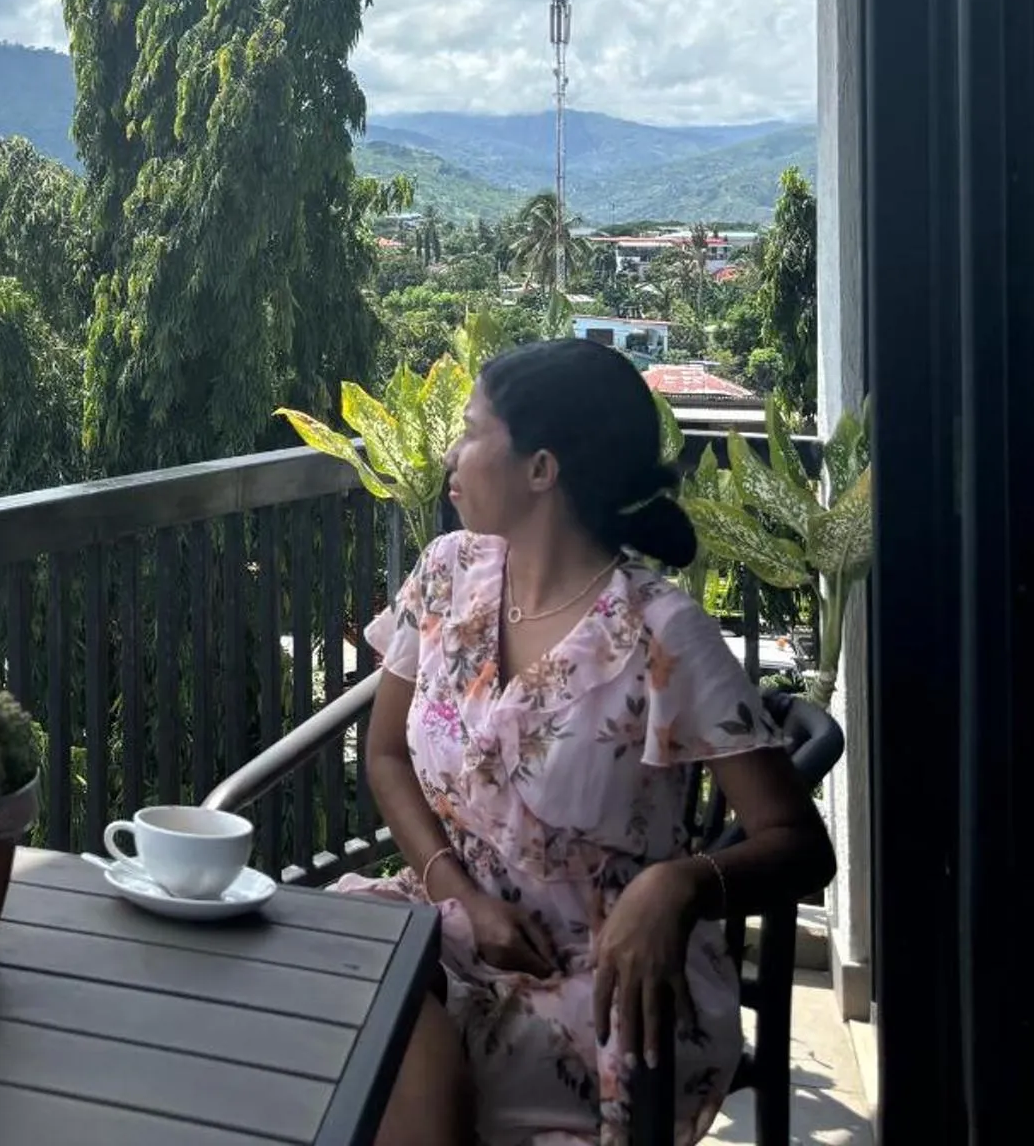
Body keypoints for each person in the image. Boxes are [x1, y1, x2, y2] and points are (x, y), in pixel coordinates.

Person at [336, 338, 836, 1146]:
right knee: (317, 988)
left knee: (377, 1054)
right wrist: (460, 896)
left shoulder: (660, 633)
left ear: (541, 468)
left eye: (471, 431)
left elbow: (801, 846)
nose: (451, 454)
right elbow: (386, 755)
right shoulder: (447, 572)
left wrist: (676, 887)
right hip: (442, 918)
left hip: (598, 974)